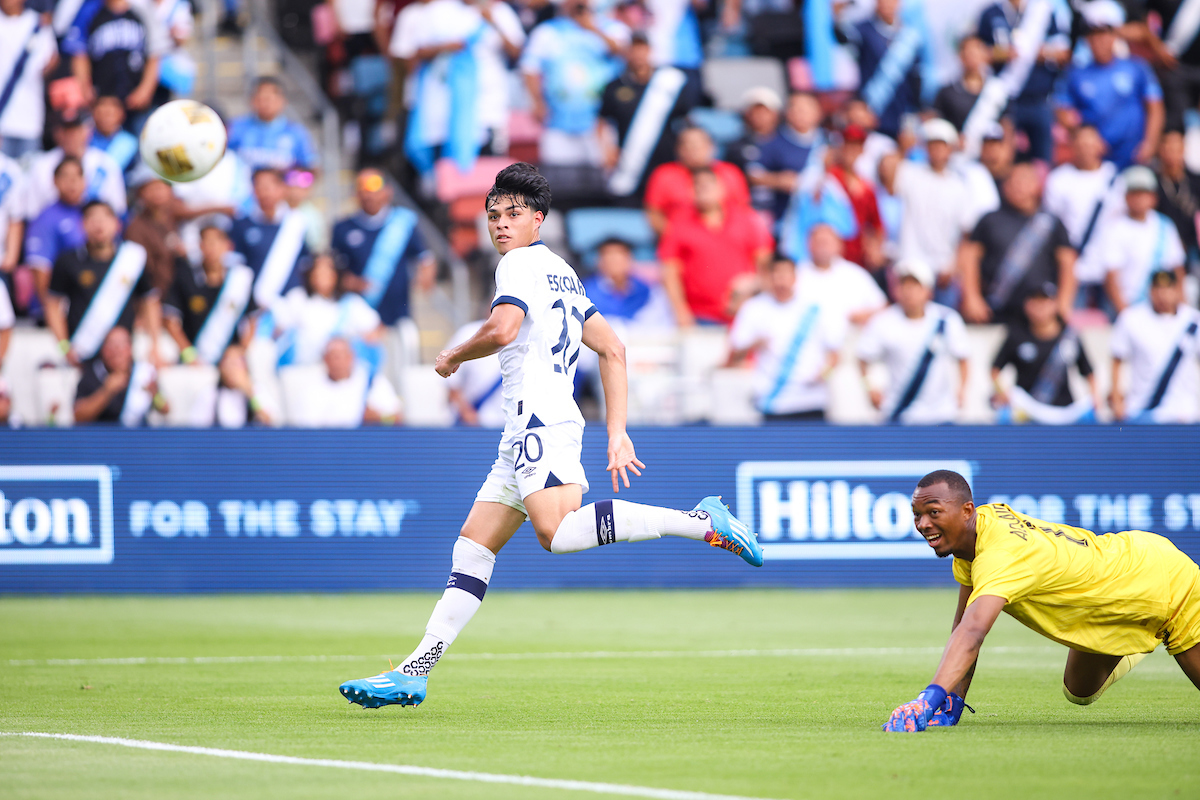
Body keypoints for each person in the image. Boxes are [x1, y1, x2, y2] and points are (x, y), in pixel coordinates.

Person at [337, 163, 762, 709]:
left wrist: (454, 355)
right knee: (473, 546)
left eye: (513, 214)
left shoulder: (516, 265)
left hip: (540, 417)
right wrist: (616, 432)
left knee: (556, 532)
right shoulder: (562, 271)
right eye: (493, 215)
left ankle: (699, 521)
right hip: (527, 425)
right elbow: (612, 347)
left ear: (538, 219)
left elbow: (504, 329)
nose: (501, 224)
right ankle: (414, 671)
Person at [884, 469, 1200, 733]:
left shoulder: (1001, 555)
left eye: (933, 512)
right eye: (917, 515)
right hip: (1126, 571)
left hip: (1164, 584)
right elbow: (963, 624)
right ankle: (1136, 633)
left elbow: (973, 632)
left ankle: (1153, 628)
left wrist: (927, 699)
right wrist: (951, 701)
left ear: (967, 511)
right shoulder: (976, 533)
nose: (923, 524)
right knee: (1079, 689)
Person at [389, 0, 525, 174]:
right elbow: (416, 52)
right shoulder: (438, 10)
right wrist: (446, 47)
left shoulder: (499, 11)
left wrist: (493, 22)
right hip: (447, 109)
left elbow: (517, 52)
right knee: (445, 168)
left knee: (487, 169)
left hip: (489, 105)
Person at [727, 255, 845, 422]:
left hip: (812, 401)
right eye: (776, 275)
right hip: (772, 402)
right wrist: (756, 343)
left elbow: (836, 356)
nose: (781, 281)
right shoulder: (754, 308)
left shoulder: (815, 308)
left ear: (795, 277)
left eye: (785, 275)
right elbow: (735, 353)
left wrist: (824, 375)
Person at [44, 200, 161, 368]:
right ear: (82, 225)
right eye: (92, 219)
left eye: (105, 218)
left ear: (117, 224)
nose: (99, 225)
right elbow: (53, 305)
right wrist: (64, 347)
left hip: (123, 356)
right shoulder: (68, 261)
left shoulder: (132, 259)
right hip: (82, 354)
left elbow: (149, 301)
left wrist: (154, 345)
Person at [959, 162, 1077, 325]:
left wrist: (1063, 301)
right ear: (1004, 186)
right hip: (995, 307)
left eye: (1024, 180)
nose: (1018, 186)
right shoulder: (989, 220)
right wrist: (972, 297)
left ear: (1037, 185)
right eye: (1013, 181)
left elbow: (1067, 262)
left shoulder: (1051, 222)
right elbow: (969, 258)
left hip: (1040, 313)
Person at [856, 258, 968, 424]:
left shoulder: (947, 319)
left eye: (915, 285)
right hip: (899, 413)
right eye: (903, 284)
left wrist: (962, 391)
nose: (909, 292)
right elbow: (862, 358)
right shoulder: (882, 322)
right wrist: (869, 389)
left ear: (928, 291)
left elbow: (963, 358)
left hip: (941, 414)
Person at [1054, 0, 1163, 169]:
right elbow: (1062, 110)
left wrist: (1150, 143)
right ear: (1087, 40)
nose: (1099, 41)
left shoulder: (1137, 67)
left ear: (1114, 37)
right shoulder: (1075, 74)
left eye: (1104, 34)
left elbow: (1155, 107)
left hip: (1134, 156)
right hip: (1097, 162)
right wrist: (1084, 137)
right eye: (1094, 35)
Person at [658, 167, 773, 326]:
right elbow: (670, 271)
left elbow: (765, 264)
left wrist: (752, 286)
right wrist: (679, 310)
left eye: (709, 183)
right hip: (699, 315)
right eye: (698, 184)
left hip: (744, 314)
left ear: (721, 187)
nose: (703, 188)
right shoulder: (678, 224)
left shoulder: (747, 219)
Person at [520, 0, 629, 167]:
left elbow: (624, 53)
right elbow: (530, 68)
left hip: (600, 124)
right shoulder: (548, 31)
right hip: (558, 121)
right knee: (558, 174)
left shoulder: (612, 28)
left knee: (601, 175)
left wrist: (592, 28)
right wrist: (537, 102)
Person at [879, 118, 974, 300]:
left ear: (951, 148)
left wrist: (954, 266)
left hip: (943, 271)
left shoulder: (960, 186)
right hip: (909, 265)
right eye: (932, 145)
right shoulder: (910, 173)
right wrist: (905, 147)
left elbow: (966, 232)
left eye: (942, 145)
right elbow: (887, 171)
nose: (937, 150)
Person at [331, 168, 436, 329]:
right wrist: (346, 281)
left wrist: (426, 272)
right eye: (362, 187)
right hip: (359, 320)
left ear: (388, 191)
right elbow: (332, 267)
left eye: (374, 186)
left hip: (398, 317)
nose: (368, 195)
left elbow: (424, 256)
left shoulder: (403, 223)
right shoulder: (342, 228)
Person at [597, 32, 693, 199]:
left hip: (665, 158)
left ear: (650, 50)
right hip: (629, 161)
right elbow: (602, 122)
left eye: (642, 48)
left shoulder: (669, 83)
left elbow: (685, 120)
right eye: (633, 49)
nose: (638, 54)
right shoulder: (614, 87)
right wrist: (608, 149)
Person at [974, 0, 1070, 163]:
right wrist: (1002, 53)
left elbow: (1063, 53)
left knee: (1043, 157)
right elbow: (977, 51)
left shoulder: (1042, 11)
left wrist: (1040, 52)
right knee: (1004, 156)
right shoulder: (991, 13)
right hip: (1005, 98)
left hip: (1039, 98)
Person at [991, 283, 1099, 424]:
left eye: (1044, 301)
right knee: (1004, 416)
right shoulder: (1016, 335)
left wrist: (1095, 397)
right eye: (1035, 302)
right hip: (1027, 408)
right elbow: (995, 370)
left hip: (1065, 410)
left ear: (1055, 304)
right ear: (1026, 305)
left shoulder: (1070, 336)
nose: (1040, 307)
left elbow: (1088, 372)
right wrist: (1002, 392)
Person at [1042, 125, 1124, 305]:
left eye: (1090, 144)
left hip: (1110, 269)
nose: (1086, 149)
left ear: (1101, 146)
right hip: (1073, 268)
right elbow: (1050, 224)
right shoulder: (1058, 179)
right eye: (1081, 144)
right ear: (1071, 146)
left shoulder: (1116, 179)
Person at [1109, 269, 1200, 424]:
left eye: (1167, 289)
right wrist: (1117, 400)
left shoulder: (1193, 320)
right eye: (1157, 289)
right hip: (1142, 411)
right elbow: (1117, 358)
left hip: (1183, 412)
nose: (1162, 295)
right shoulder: (1132, 318)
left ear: (1176, 290)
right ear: (1150, 291)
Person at [1100, 165, 1186, 315]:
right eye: (1135, 194)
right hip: (1131, 307)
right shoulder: (1115, 228)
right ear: (1126, 197)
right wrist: (1125, 315)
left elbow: (1177, 269)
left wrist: (1180, 308)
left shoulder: (1165, 225)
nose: (1139, 199)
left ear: (1153, 197)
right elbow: (1111, 277)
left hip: (1163, 309)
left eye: (1144, 193)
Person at [271, 252, 384, 367]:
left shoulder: (351, 303)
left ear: (336, 274)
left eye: (327, 271)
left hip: (336, 372)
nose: (322, 276)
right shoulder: (297, 298)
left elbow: (375, 330)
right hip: (301, 368)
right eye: (318, 271)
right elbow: (278, 329)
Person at [65, 0, 163, 126]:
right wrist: (85, 87)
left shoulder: (141, 9)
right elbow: (79, 52)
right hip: (101, 99)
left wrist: (145, 89)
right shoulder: (89, 10)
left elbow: (154, 54)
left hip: (135, 98)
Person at [839, 0, 926, 140]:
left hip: (900, 113)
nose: (887, 4)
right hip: (869, 112)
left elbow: (915, 78)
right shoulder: (862, 30)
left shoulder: (910, 36)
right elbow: (844, 44)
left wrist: (913, 114)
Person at [643, 125, 751, 234]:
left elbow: (743, 210)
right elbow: (654, 212)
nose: (692, 150)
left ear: (712, 147)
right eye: (687, 145)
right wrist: (676, 237)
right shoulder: (664, 175)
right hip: (679, 238)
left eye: (698, 145)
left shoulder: (730, 173)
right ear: (678, 149)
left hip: (726, 237)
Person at [230, 167, 310, 311]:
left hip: (292, 307)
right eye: (258, 187)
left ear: (283, 188)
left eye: (268, 187)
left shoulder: (297, 223)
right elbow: (237, 270)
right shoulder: (241, 225)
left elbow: (306, 264)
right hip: (255, 308)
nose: (264, 192)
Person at [24, 109, 126, 220]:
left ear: (87, 132)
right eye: (65, 131)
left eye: (76, 130)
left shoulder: (106, 164)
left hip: (95, 226)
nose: (71, 136)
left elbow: (118, 209)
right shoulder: (41, 165)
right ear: (56, 133)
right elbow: (32, 212)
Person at [288, 337, 402, 428]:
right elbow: (303, 429)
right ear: (325, 359)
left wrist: (378, 418)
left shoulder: (372, 382)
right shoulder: (311, 388)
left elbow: (397, 418)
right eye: (333, 357)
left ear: (351, 357)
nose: (337, 362)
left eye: (341, 356)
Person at [746, 91, 824, 224]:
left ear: (817, 112)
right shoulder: (773, 141)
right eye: (794, 108)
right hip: (785, 216)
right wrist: (778, 180)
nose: (799, 113)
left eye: (804, 109)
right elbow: (753, 173)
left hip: (820, 215)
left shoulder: (829, 141)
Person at [26, 157, 85, 319]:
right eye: (65, 176)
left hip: (88, 305)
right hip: (59, 311)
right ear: (55, 181)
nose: (72, 182)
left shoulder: (92, 212)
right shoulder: (45, 219)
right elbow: (39, 267)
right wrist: (53, 313)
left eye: (77, 176)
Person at [73, 325, 166, 425]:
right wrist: (106, 392)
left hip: (137, 433)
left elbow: (165, 409)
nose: (116, 350)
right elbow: (78, 416)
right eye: (111, 344)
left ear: (130, 348)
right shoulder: (92, 372)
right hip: (103, 433)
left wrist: (155, 395)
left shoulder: (143, 373)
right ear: (103, 349)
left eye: (121, 344)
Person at [0, 0, 59, 160]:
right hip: (2, 120)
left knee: (28, 172)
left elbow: (50, 60)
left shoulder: (38, 23)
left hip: (30, 119)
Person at [795, 223, 886, 326]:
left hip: (852, 334)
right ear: (808, 244)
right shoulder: (797, 274)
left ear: (839, 244)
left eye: (826, 242)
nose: (822, 247)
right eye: (818, 242)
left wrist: (865, 316)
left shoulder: (855, 274)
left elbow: (883, 307)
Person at [227, 77, 320, 173]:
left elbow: (312, 167)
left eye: (269, 99)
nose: (265, 104)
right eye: (261, 99)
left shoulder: (296, 133)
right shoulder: (236, 128)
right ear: (252, 100)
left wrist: (293, 179)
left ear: (282, 101)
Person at [827, 124, 886, 271]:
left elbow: (877, 225)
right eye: (848, 145)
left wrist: (874, 248)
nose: (851, 150)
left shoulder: (867, 187)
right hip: (828, 256)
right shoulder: (828, 178)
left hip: (857, 259)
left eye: (856, 146)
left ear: (862, 150)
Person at [581, 237, 672, 326]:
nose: (615, 261)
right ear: (599, 261)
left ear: (630, 259)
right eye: (609, 256)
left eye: (620, 255)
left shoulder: (644, 290)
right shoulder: (586, 293)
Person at [124, 167, 183, 294]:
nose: (157, 192)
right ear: (140, 193)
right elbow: (143, 271)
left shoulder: (172, 216)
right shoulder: (135, 228)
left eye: (161, 186)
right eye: (151, 188)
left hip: (179, 293)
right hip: (156, 294)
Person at [726, 87, 784, 215]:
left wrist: (767, 179)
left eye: (765, 111)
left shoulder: (787, 143)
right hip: (746, 210)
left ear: (775, 114)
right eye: (755, 111)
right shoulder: (736, 146)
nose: (760, 116)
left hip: (783, 211)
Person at [444, 319, 504, 427]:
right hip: (474, 425)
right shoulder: (469, 333)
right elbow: (451, 381)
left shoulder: (528, 335)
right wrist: (466, 412)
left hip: (514, 425)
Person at [1153, 130, 1200, 267]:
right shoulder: (1153, 183)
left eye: (1176, 149)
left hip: (1194, 246)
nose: (1172, 154)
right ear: (1160, 150)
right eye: (1168, 149)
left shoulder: (1195, 181)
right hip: (1164, 247)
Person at [932, 35, 990, 133]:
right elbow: (938, 125)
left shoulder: (997, 90)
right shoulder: (947, 92)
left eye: (976, 52)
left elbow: (1007, 125)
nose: (973, 57)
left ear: (985, 55)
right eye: (969, 53)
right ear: (960, 56)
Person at [90, 95, 140, 174]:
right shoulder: (85, 138)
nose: (105, 119)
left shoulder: (130, 143)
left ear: (121, 115)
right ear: (94, 114)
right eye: (101, 113)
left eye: (109, 114)